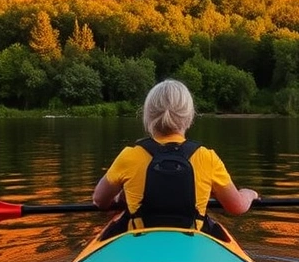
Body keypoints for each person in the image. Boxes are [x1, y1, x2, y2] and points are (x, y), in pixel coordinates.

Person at [93, 79, 258, 237]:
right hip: (191, 246)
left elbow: (99, 200)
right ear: (189, 116)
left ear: (147, 116)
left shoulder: (130, 155)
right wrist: (249, 193)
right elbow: (237, 207)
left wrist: (118, 197)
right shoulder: (206, 157)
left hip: (140, 243)